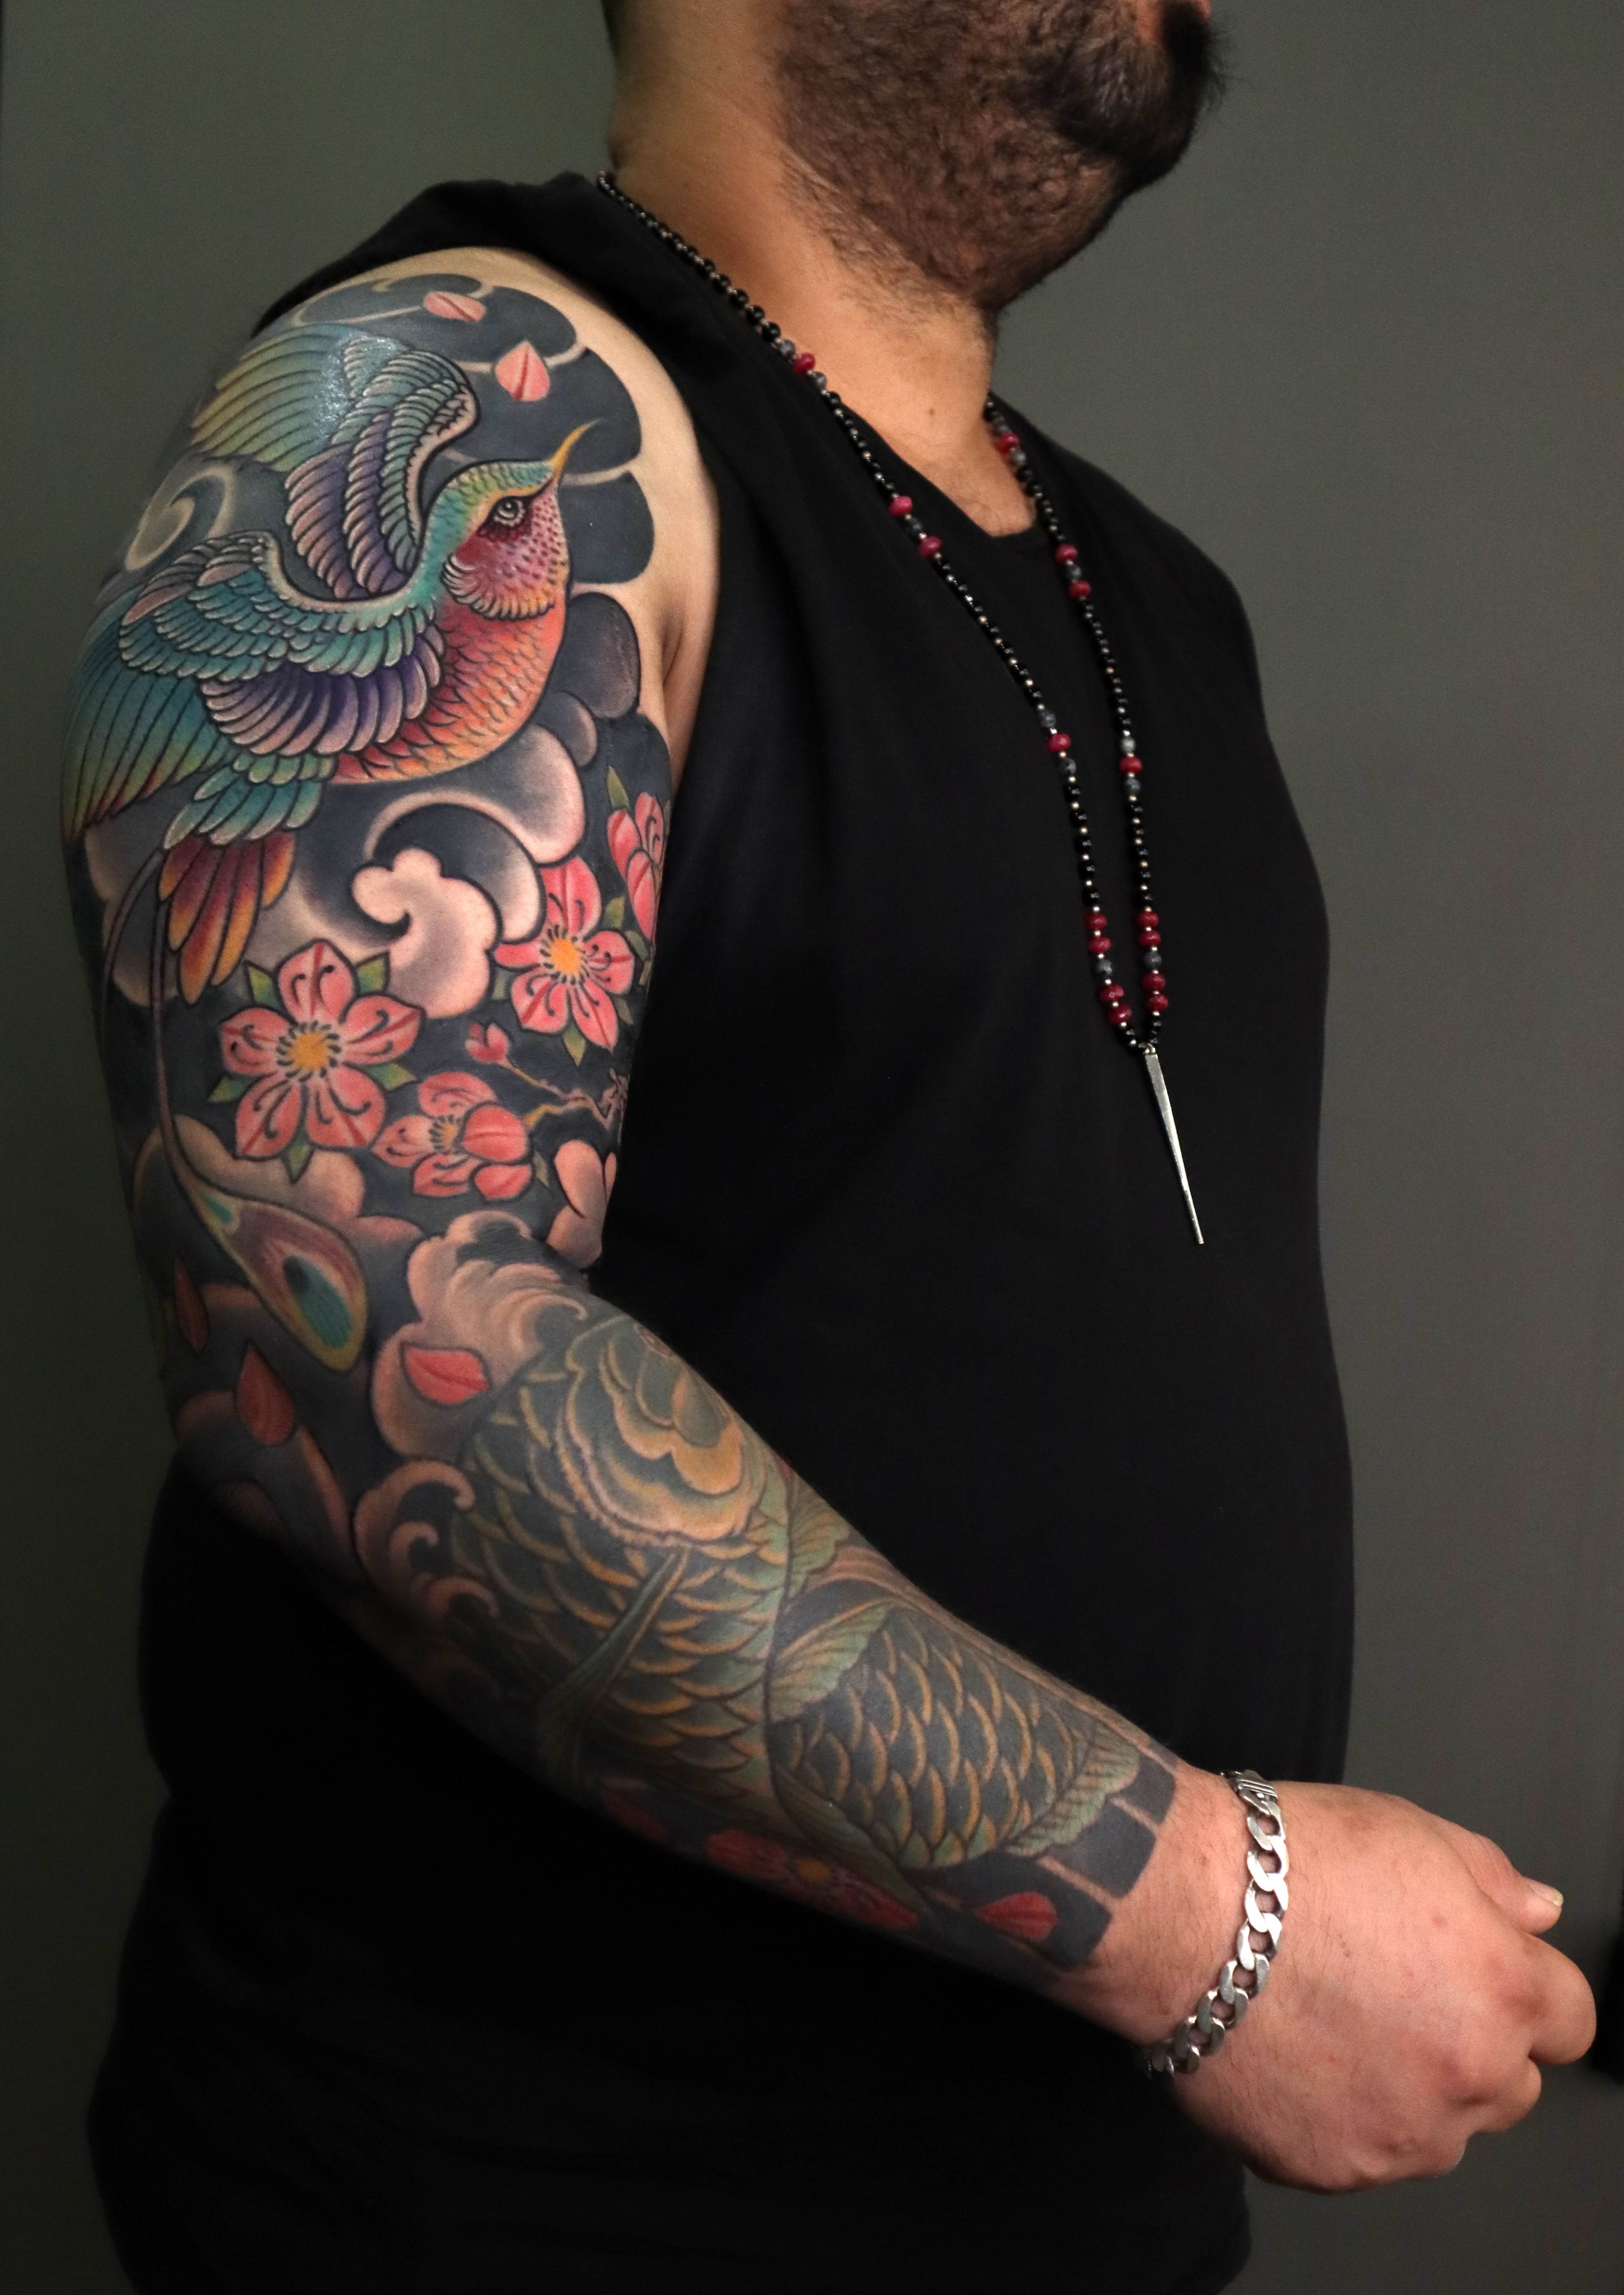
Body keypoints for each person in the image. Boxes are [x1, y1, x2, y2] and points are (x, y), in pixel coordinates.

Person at [66, 2, 1595, 2289]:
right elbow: (356, 1350)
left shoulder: (1160, 604)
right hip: (537, 2216)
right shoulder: (469, 409)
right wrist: (1215, 1914)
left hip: (1074, 2206)